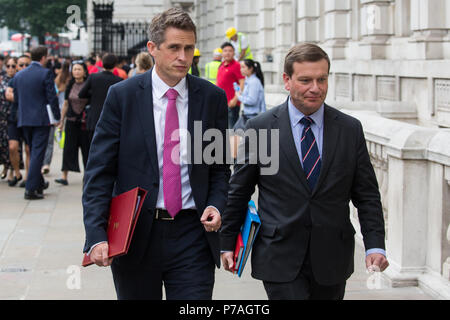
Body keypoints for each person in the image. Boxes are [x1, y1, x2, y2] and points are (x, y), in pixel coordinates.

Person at [220, 43, 389, 300]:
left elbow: (366, 194)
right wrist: (227, 243)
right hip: (279, 256)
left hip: (333, 258)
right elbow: (239, 190)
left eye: (322, 79)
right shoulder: (260, 128)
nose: (315, 88)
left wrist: (374, 244)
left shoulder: (349, 129)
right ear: (287, 80)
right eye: (306, 80)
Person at [82, 7, 230, 300]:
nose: (183, 57)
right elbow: (100, 172)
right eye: (174, 48)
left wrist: (216, 205)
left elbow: (219, 167)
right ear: (152, 49)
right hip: (136, 236)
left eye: (189, 48)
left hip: (193, 236)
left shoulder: (212, 98)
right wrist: (96, 234)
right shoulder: (122, 96)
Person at [12, 46, 60, 200]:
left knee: (33, 151)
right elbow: (51, 97)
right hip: (40, 119)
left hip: (24, 118)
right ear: (44, 57)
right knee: (37, 153)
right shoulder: (45, 73)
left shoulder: (19, 75)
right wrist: (57, 117)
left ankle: (38, 183)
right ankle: (31, 189)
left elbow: (17, 99)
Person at [54, 61, 90, 186]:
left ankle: (88, 176)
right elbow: (65, 103)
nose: (77, 72)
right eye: (74, 69)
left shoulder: (89, 84)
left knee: (87, 150)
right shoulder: (70, 84)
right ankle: (64, 176)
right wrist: (61, 121)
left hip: (85, 122)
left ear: (84, 71)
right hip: (71, 121)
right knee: (68, 148)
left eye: (79, 69)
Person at [78, 53, 122, 145]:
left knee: (91, 147)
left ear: (102, 63)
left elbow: (81, 94)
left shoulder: (93, 77)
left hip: (94, 117)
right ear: (115, 64)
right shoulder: (119, 80)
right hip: (111, 120)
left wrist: (93, 94)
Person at [230, 59, 266, 159]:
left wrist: (238, 96)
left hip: (253, 117)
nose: (241, 69)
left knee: (241, 139)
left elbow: (252, 100)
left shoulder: (254, 82)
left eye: (243, 67)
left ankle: (238, 160)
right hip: (247, 116)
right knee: (236, 136)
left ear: (251, 69)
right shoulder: (249, 80)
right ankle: (237, 160)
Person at [6, 55, 31, 188]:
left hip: (29, 118)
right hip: (15, 117)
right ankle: (17, 172)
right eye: (20, 65)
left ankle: (27, 176)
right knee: (13, 147)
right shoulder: (14, 80)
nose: (23, 68)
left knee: (28, 149)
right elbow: (8, 94)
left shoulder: (32, 79)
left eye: (26, 65)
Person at [216, 42, 244, 129]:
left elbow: (242, 82)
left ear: (234, 53)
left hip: (232, 104)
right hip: (221, 103)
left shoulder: (237, 65)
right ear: (222, 53)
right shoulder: (221, 65)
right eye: (225, 51)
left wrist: (235, 99)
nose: (227, 53)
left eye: (230, 51)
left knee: (232, 129)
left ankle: (233, 143)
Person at [0, 57, 17, 182]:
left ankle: (12, 170)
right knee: (3, 145)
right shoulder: (2, 80)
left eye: (13, 66)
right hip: (2, 116)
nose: (10, 68)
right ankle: (5, 167)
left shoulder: (18, 80)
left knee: (13, 146)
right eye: (8, 66)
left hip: (14, 116)